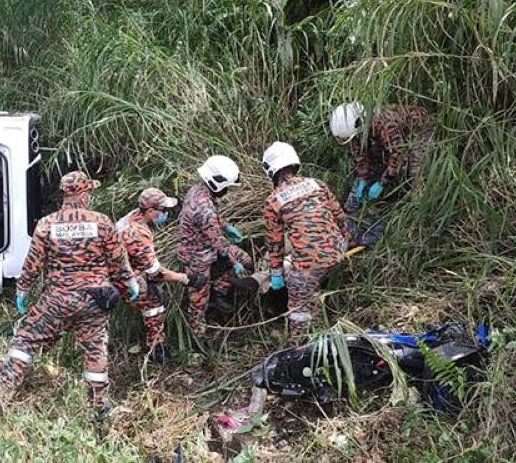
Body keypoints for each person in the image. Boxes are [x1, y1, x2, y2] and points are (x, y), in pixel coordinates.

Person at [0, 171, 139, 421]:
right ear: (84, 194)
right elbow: (117, 260)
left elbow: (33, 263)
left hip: (58, 299)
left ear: (65, 195)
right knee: (95, 351)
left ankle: (3, 392)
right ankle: (100, 407)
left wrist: (23, 289)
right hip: (94, 300)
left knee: (26, 339)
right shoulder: (102, 222)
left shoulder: (47, 224)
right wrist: (129, 281)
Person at [261, 142, 349, 342]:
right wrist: (345, 243)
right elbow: (340, 218)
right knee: (315, 288)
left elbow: (275, 245)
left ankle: (299, 347)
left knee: (298, 308)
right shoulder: (317, 184)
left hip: (310, 264)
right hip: (338, 253)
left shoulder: (273, 201)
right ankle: (323, 324)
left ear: (271, 171)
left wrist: (276, 275)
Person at [117, 187, 207, 362]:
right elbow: (156, 273)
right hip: (122, 280)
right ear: (150, 211)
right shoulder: (137, 234)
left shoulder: (132, 216)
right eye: (163, 210)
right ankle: (156, 349)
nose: (166, 214)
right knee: (154, 303)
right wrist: (186, 279)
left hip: (120, 271)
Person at [177, 155, 253, 336]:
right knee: (198, 300)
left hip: (207, 245)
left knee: (246, 261)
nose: (226, 190)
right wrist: (234, 262)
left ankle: (220, 291)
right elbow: (219, 243)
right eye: (226, 187)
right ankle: (198, 335)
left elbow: (214, 219)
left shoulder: (198, 190)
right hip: (196, 256)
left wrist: (226, 226)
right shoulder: (203, 209)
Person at [329, 102, 433, 204]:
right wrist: (363, 178)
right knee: (375, 158)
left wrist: (382, 183)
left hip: (420, 131)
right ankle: (358, 202)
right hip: (393, 138)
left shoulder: (384, 123)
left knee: (415, 167)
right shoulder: (356, 130)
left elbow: (398, 153)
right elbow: (360, 154)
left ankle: (419, 202)